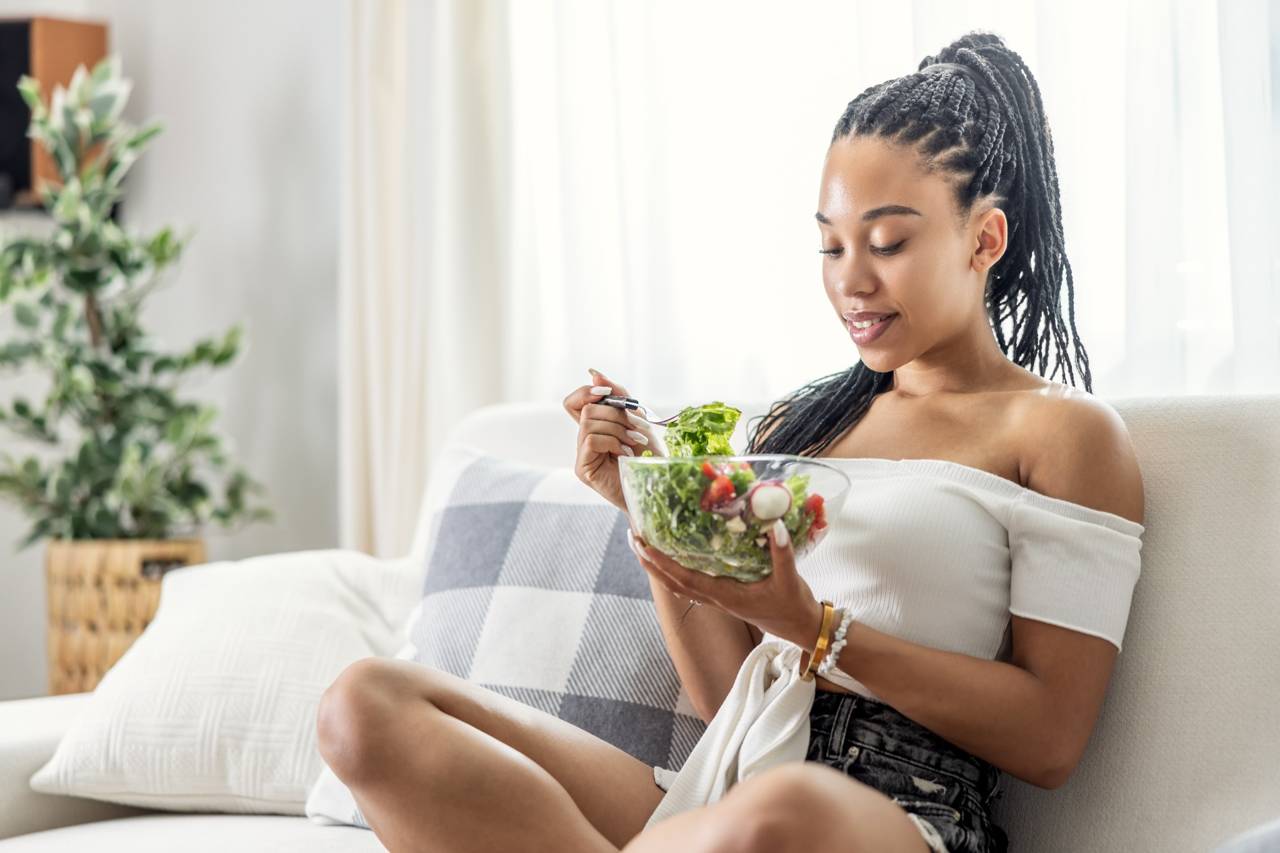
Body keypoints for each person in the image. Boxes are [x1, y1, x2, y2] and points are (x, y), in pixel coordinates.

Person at [315, 29, 1146, 853]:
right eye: (831, 243)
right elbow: (727, 697)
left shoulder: (1062, 433)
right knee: (364, 706)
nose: (851, 279)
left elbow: (1051, 739)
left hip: (888, 813)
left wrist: (818, 630)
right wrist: (646, 500)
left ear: (984, 238)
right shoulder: (800, 425)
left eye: (888, 243)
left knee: (782, 811)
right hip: (730, 783)